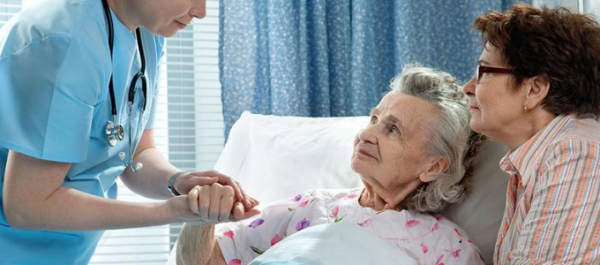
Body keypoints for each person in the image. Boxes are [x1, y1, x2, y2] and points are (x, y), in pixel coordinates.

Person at [0, 0, 258, 264]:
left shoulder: (145, 31)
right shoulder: (66, 43)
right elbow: (27, 206)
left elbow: (137, 152)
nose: (201, 12)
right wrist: (169, 212)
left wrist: (179, 182)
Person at [176, 65, 487, 265]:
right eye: (374, 119)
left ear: (433, 166)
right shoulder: (312, 206)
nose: (366, 134)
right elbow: (206, 262)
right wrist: (202, 216)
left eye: (392, 129)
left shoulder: (448, 247)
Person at [464, 4, 600, 264]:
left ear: (534, 89)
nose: (467, 88)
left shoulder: (577, 153)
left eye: (483, 71)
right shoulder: (538, 158)